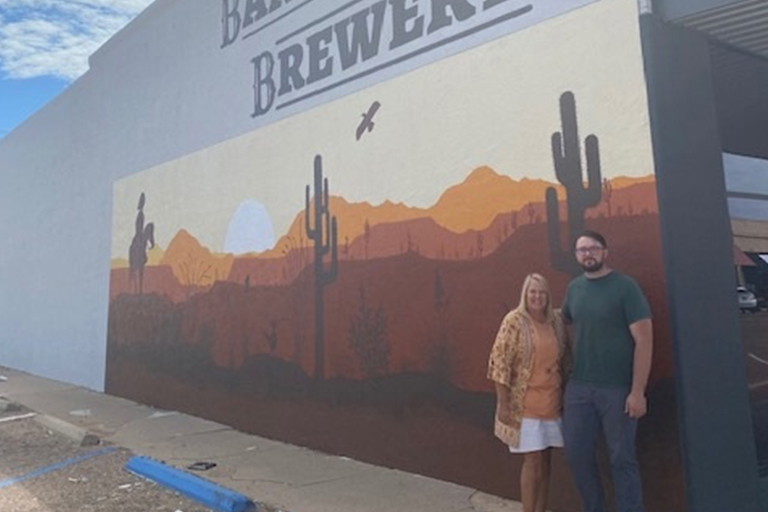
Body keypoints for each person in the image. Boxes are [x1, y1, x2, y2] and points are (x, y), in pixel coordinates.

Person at [561, 230, 653, 512]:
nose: (587, 254)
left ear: (605, 251)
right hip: (579, 388)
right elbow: (564, 320)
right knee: (577, 455)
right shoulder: (574, 288)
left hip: (617, 389)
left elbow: (644, 340)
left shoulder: (625, 287)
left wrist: (637, 392)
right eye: (581, 250)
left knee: (621, 459)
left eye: (592, 248)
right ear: (577, 256)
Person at [488, 273, 570, 512]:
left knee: (546, 460)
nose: (537, 296)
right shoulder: (514, 321)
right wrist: (502, 403)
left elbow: (565, 357)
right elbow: (499, 363)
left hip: (551, 402)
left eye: (542, 292)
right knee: (532, 460)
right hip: (525, 404)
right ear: (525, 294)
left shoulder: (555, 321)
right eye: (533, 291)